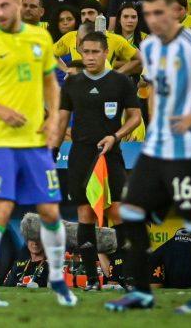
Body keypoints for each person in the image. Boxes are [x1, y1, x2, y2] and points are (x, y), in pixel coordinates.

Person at [105, 0, 191, 314]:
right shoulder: (149, 47)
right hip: (155, 148)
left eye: (158, 13)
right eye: (147, 15)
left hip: (186, 149)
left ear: (173, 11)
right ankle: (141, 292)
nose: (153, 20)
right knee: (131, 212)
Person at [0, 0, 76, 307]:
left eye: (4, 6)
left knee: (51, 211)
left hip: (35, 143)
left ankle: (57, 280)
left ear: (17, 5)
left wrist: (55, 118)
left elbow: (51, 84)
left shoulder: (39, 39)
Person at [54, 31, 142, 290]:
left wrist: (115, 136)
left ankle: (126, 277)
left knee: (117, 211)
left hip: (110, 154)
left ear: (106, 53)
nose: (90, 57)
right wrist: (52, 151)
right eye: (86, 52)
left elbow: (135, 117)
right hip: (81, 154)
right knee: (85, 213)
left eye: (95, 52)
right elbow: (60, 120)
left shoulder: (121, 82)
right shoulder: (72, 83)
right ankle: (92, 279)